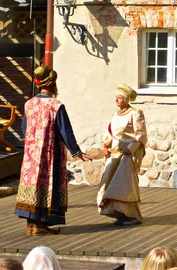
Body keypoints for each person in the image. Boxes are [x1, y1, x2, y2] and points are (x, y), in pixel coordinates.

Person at [14, 65, 91, 236]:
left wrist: (32, 144)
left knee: (32, 184)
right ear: (53, 84)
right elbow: (65, 130)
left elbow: (24, 128)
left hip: (31, 155)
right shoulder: (55, 105)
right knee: (48, 184)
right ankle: (40, 225)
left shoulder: (29, 104)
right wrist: (76, 151)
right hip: (50, 153)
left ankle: (32, 224)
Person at [97, 84, 147, 226]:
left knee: (124, 185)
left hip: (127, 155)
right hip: (114, 153)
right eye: (116, 97)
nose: (117, 100)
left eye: (120, 98)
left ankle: (132, 215)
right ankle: (118, 213)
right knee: (109, 183)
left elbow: (140, 134)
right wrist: (104, 145)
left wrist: (130, 149)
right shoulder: (115, 115)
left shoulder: (136, 113)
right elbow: (110, 132)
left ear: (126, 99)